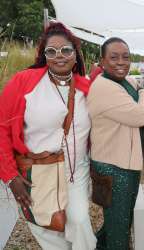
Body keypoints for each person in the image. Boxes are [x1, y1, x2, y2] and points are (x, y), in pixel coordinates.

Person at [0, 22, 96, 250]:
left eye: (66, 50)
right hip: (37, 170)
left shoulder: (88, 88)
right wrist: (11, 177)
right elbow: (1, 127)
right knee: (44, 224)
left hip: (76, 169)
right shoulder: (23, 82)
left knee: (80, 220)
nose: (59, 56)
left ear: (75, 53)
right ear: (44, 55)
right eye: (51, 51)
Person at [87, 37, 144, 250]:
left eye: (125, 57)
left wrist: (139, 87)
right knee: (119, 229)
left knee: (118, 221)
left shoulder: (123, 81)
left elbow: (134, 86)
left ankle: (97, 246)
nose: (121, 62)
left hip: (125, 164)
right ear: (102, 62)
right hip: (113, 168)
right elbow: (140, 116)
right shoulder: (103, 87)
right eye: (113, 57)